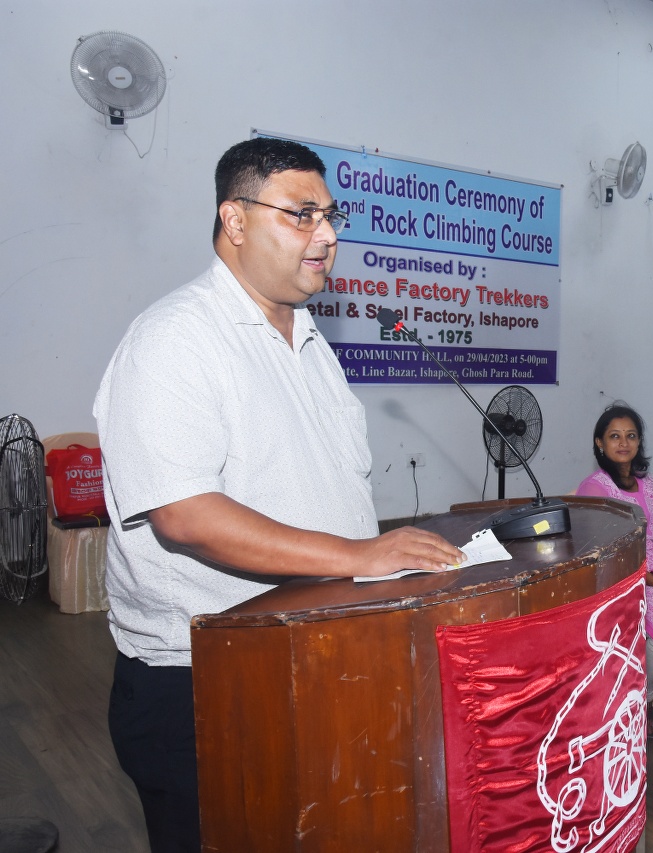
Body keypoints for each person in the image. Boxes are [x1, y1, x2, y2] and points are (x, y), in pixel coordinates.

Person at [93, 138, 464, 853]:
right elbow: (185, 514)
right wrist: (360, 555)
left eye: (331, 216)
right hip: (209, 683)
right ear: (234, 220)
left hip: (320, 657)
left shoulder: (312, 345)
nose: (327, 235)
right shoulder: (175, 339)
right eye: (301, 214)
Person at [576, 404, 653, 700]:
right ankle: (645, 702)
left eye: (631, 435)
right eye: (615, 436)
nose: (624, 443)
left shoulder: (649, 484)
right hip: (624, 580)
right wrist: (650, 580)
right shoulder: (595, 489)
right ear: (600, 443)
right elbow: (602, 554)